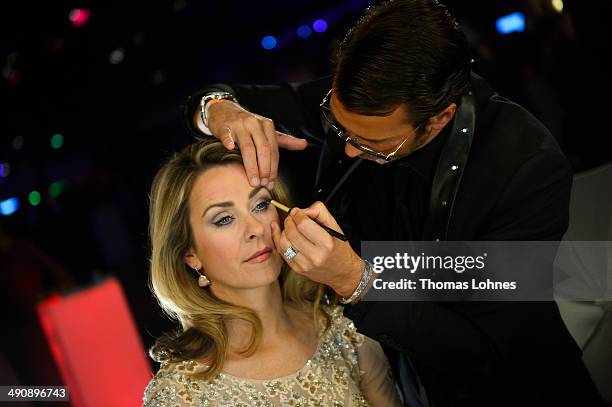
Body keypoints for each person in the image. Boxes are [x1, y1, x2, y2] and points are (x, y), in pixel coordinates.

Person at [180, 0, 604, 406]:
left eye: (373, 145)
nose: (346, 151)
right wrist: (218, 109)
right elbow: (219, 97)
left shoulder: (526, 169)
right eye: (339, 128)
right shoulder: (356, 103)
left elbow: (485, 354)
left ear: (437, 119)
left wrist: (358, 281)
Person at [142, 139, 403, 406]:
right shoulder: (177, 395)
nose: (256, 227)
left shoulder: (345, 330)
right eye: (224, 219)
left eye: (261, 205)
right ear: (190, 254)